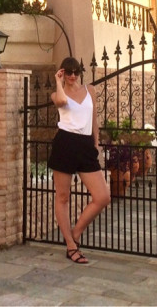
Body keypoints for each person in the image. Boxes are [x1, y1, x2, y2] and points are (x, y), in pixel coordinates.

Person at [47, 57, 111, 264]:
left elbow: (94, 120)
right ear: (63, 73)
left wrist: (96, 143)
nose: (73, 76)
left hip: (85, 145)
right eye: (68, 72)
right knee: (62, 197)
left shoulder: (90, 90)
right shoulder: (57, 94)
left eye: (76, 72)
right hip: (65, 144)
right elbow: (62, 102)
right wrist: (58, 82)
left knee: (102, 197)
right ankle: (71, 246)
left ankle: (75, 233)